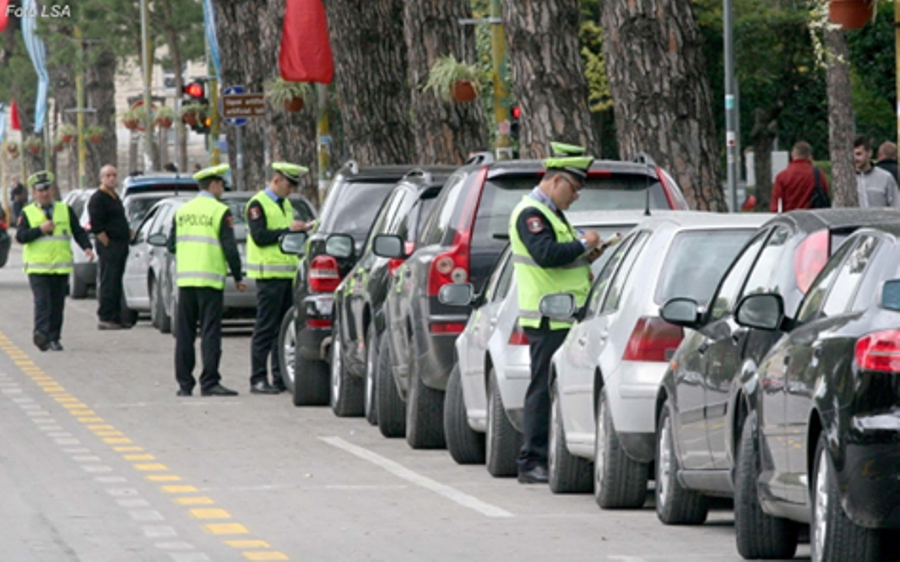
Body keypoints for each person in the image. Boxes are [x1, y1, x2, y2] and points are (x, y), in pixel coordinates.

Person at [508, 142, 605, 484]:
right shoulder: (530, 214)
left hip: (565, 315)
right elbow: (546, 253)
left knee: (554, 388)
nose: (576, 197)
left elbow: (559, 259)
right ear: (556, 180)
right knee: (541, 389)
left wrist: (586, 257)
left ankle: (547, 456)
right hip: (548, 316)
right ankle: (531, 461)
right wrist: (584, 244)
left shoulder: (550, 212)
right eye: (574, 189)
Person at [167, 164, 246, 397]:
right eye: (221, 184)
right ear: (213, 185)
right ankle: (209, 382)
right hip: (210, 280)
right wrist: (238, 276)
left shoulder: (182, 211)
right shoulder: (220, 211)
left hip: (186, 280)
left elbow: (171, 244)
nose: (223, 189)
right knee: (210, 332)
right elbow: (230, 248)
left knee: (185, 334)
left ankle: (184, 384)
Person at [245, 162, 310, 394]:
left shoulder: (286, 205)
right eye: (289, 185)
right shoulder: (257, 204)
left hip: (287, 275)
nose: (291, 190)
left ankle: (280, 376)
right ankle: (258, 378)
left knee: (283, 329)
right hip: (268, 275)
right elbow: (260, 236)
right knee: (265, 327)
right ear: (277, 180)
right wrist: (289, 231)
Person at [15, 171, 94, 351]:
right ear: (34, 193)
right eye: (40, 190)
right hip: (38, 267)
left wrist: (87, 247)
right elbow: (20, 237)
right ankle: (41, 335)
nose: (44, 193)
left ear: (52, 190)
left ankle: (54, 337)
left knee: (57, 305)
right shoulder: (26, 212)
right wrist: (40, 230)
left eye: (47, 189)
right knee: (42, 302)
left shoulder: (65, 210)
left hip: (60, 267)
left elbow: (78, 231)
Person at [88, 165, 132, 330]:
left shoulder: (114, 196)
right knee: (109, 281)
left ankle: (116, 316)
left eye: (114, 175)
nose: (111, 178)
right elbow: (97, 226)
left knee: (116, 282)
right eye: (108, 175)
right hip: (110, 246)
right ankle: (105, 316)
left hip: (121, 244)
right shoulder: (98, 198)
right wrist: (107, 243)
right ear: (101, 178)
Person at [770, 141, 828, 212]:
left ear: (792, 154)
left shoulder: (782, 176)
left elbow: (775, 207)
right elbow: (825, 196)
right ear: (809, 156)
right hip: (812, 219)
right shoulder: (818, 174)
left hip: (790, 220)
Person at [854, 135, 900, 209]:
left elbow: (896, 205)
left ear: (869, 153)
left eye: (858, 154)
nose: (855, 158)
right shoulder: (845, 181)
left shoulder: (886, 178)